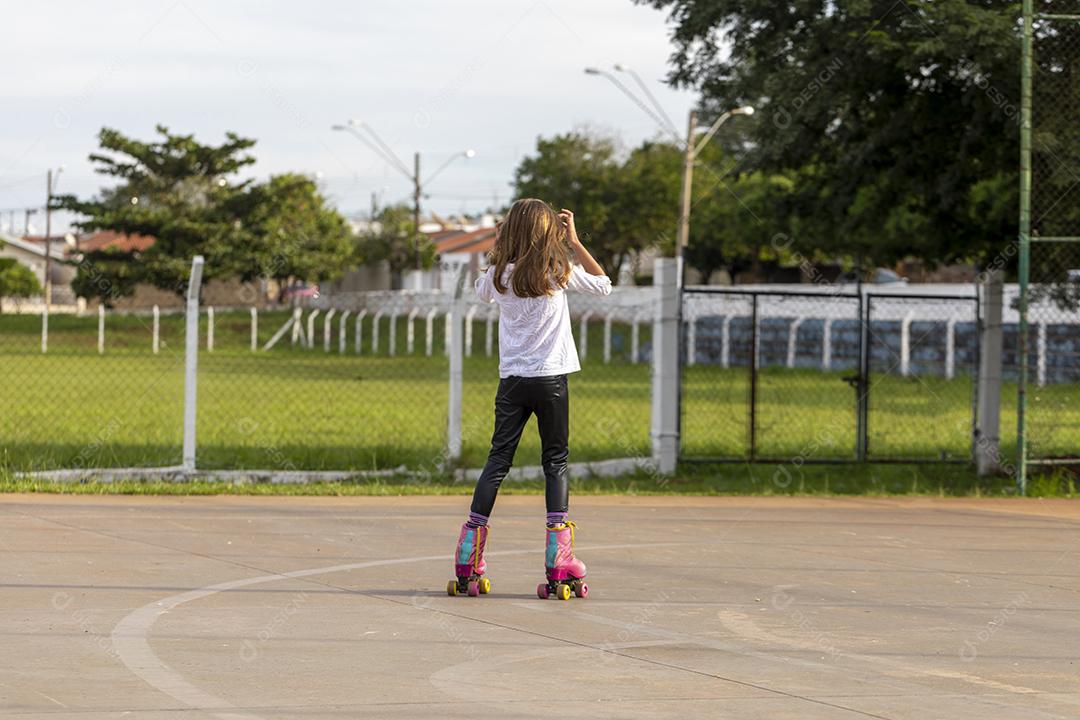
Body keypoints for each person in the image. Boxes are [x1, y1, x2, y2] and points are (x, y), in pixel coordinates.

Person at [447, 198, 612, 600]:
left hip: (512, 384)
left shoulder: (500, 276)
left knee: (497, 459)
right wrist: (573, 241)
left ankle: (468, 557)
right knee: (555, 462)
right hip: (551, 381)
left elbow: (480, 289)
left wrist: (500, 245)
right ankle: (559, 558)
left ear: (510, 233)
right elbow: (605, 284)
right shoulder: (559, 271)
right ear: (548, 233)